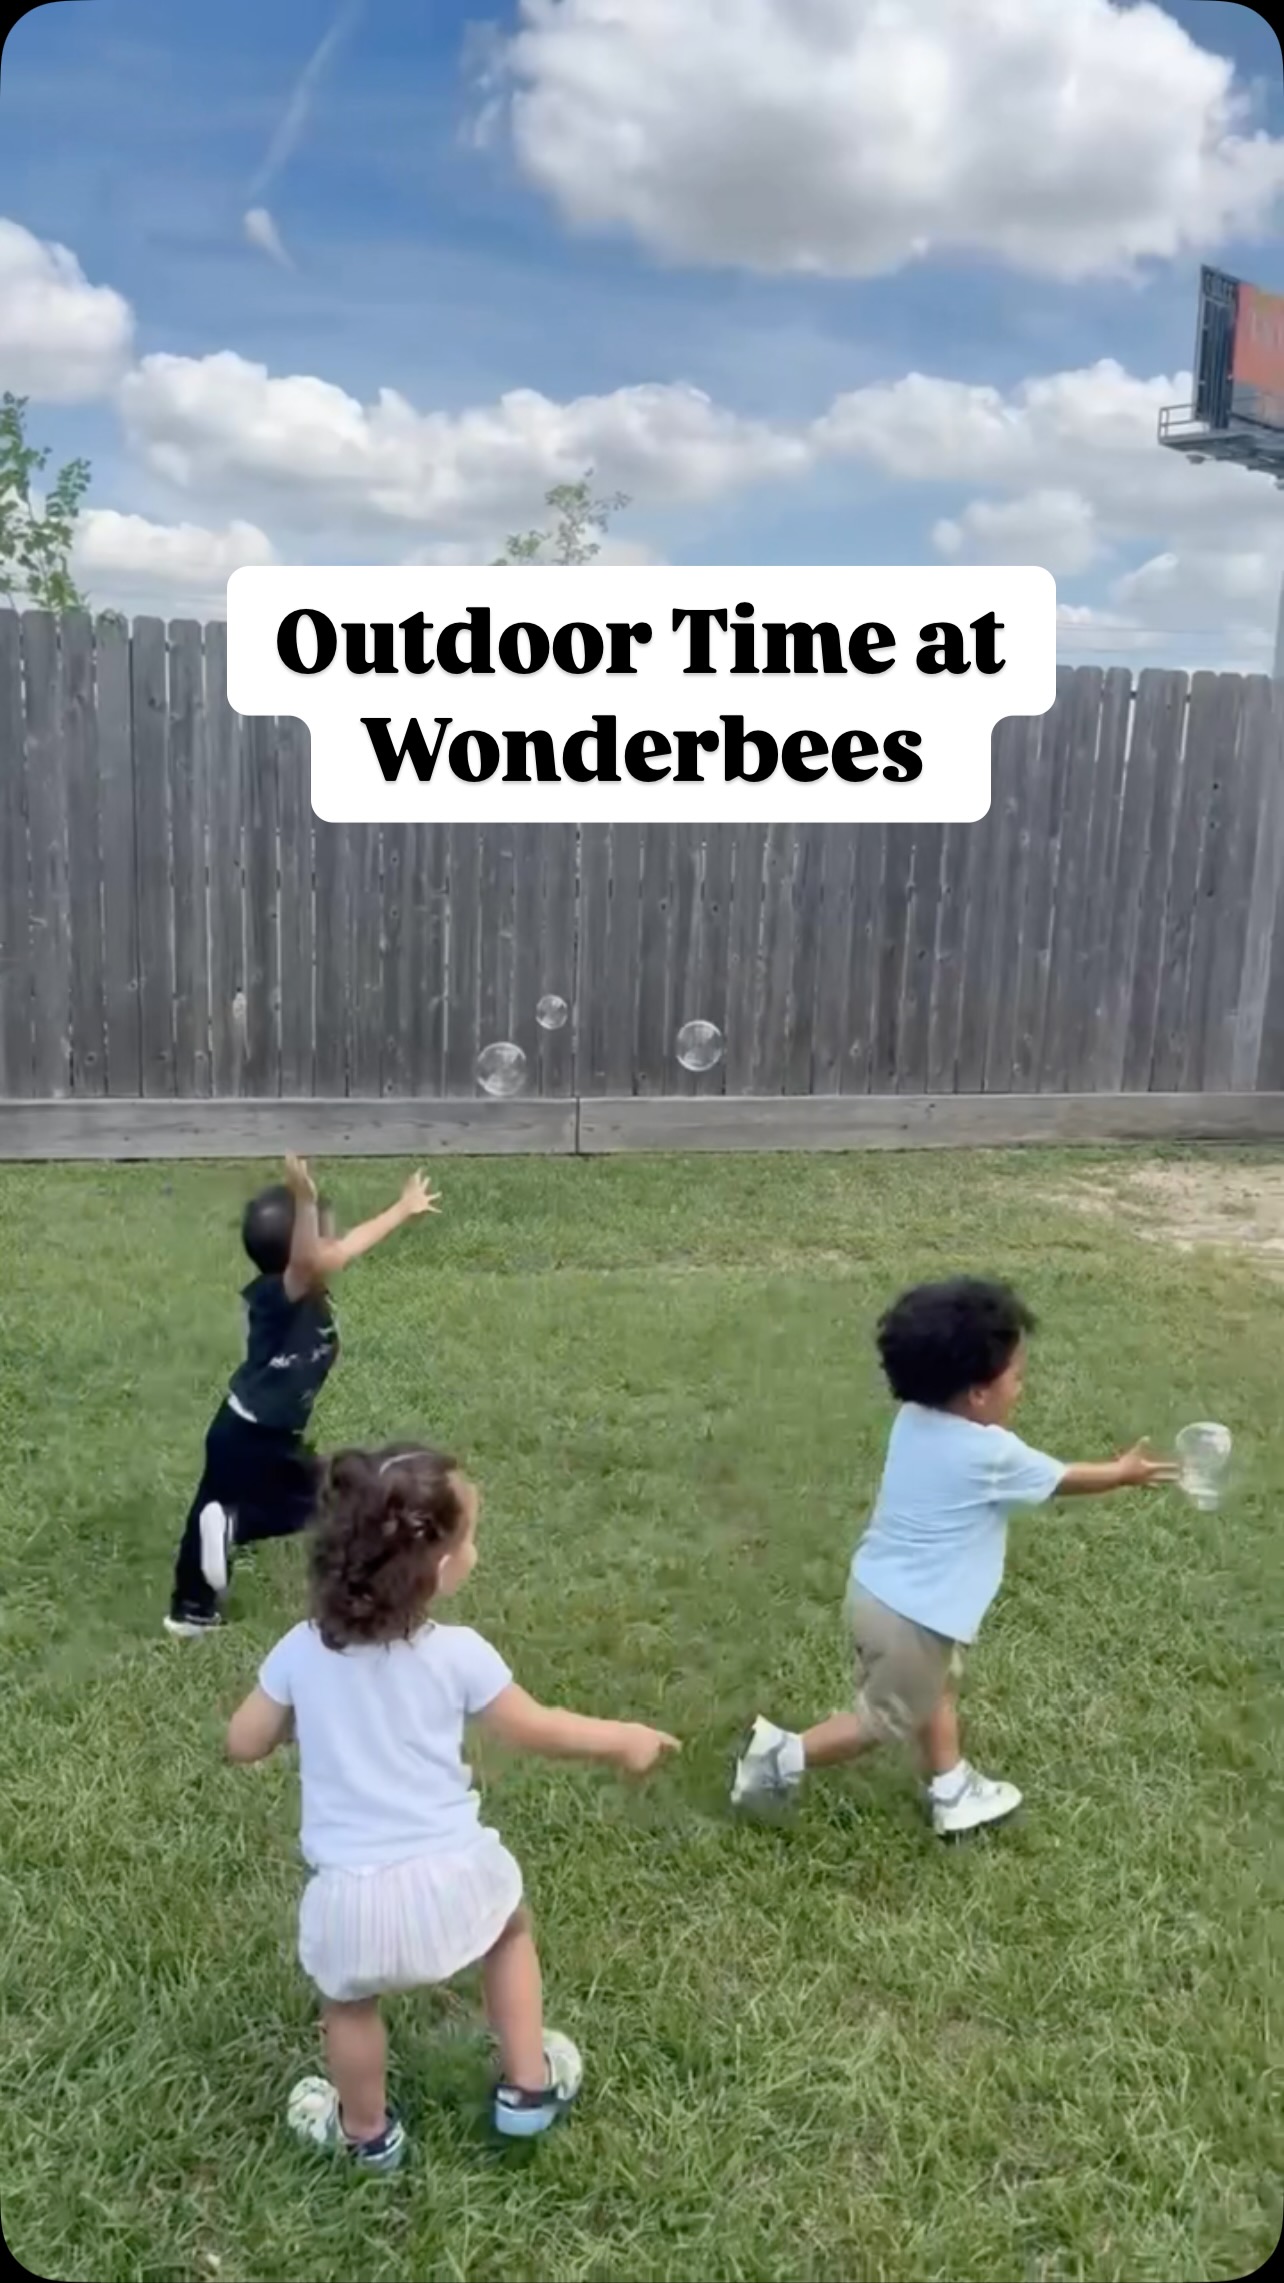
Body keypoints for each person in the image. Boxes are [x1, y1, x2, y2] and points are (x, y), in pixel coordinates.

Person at [226, 1443, 680, 2171]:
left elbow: (243, 1741)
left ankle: (366, 2134)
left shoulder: (302, 1650)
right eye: (470, 1536)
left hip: (354, 1906)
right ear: (439, 1569)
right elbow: (541, 1727)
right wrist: (624, 1738)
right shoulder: (460, 1654)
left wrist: (295, 1714)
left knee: (348, 2004)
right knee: (508, 1933)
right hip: (456, 1884)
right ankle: (527, 2087)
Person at [731, 1276, 1175, 1838]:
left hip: (881, 1595)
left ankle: (952, 1787)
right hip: (913, 1616)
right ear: (978, 1394)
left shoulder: (914, 1419)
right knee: (884, 1719)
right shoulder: (988, 1453)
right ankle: (778, 1756)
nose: (1022, 1385)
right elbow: (1063, 1479)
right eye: (1016, 1375)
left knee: (935, 1687)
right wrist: (1122, 1473)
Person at [165, 1155, 438, 1638]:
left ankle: (192, 1611)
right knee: (327, 1499)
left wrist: (402, 1209)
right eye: (321, 1235)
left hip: (249, 1432)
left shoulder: (303, 1286)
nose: (334, 1244)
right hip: (252, 1436)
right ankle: (238, 1533)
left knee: (215, 1512)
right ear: (297, 1252)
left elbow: (347, 1247)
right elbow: (310, 1258)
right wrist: (306, 1200)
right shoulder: (281, 1294)